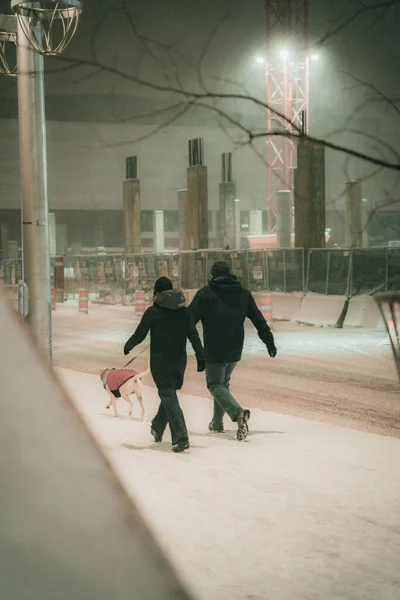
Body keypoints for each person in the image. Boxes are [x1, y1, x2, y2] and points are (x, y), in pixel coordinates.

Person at [189, 260, 277, 441]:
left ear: (213, 274)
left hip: (214, 348)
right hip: (235, 349)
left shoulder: (205, 294)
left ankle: (238, 414)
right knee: (223, 385)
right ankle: (217, 423)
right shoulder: (243, 294)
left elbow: (188, 320)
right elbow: (258, 320)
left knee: (215, 385)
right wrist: (269, 341)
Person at [124, 277, 205, 453]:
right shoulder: (184, 312)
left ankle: (181, 436)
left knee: (168, 396)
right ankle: (157, 427)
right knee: (169, 395)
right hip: (178, 362)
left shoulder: (153, 312)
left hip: (160, 363)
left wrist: (128, 346)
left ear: (156, 294)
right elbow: (193, 335)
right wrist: (201, 356)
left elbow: (140, 334)